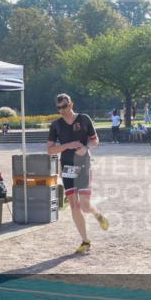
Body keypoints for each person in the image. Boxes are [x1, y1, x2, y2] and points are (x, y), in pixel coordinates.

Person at [47, 93, 108, 254]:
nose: (62, 110)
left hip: (84, 163)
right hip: (67, 167)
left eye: (65, 106)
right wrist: (67, 145)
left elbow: (95, 140)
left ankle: (97, 214)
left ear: (71, 104)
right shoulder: (56, 125)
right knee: (74, 205)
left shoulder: (84, 119)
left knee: (85, 206)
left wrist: (85, 148)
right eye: (59, 108)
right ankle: (85, 241)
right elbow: (50, 150)